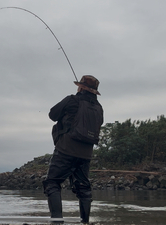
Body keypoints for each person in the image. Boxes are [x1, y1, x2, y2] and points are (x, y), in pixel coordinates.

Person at [42, 75, 104, 224]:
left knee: (52, 183)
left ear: (81, 87)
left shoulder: (72, 100)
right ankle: (85, 222)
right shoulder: (98, 108)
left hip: (66, 149)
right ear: (94, 92)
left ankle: (57, 221)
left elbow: (52, 114)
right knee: (83, 188)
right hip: (86, 154)